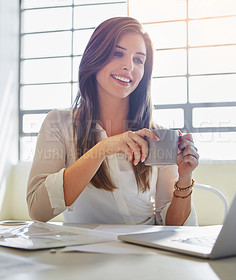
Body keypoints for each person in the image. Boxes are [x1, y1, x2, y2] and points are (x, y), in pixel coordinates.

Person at [27, 17, 200, 226]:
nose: (128, 66)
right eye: (118, 53)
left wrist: (184, 177)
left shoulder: (158, 136)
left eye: (139, 60)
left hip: (146, 253)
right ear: (95, 57)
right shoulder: (59, 124)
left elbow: (173, 227)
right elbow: (38, 210)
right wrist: (102, 149)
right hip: (87, 253)